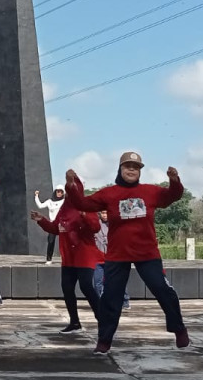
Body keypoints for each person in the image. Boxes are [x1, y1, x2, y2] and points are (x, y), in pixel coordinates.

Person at [64, 152, 190, 355]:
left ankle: (179, 329)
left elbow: (172, 196)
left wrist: (174, 181)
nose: (131, 170)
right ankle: (104, 340)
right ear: (120, 169)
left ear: (140, 171)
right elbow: (83, 204)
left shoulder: (149, 191)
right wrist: (72, 185)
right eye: (127, 166)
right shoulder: (109, 193)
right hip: (117, 254)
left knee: (162, 289)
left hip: (147, 253)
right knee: (110, 298)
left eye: (136, 167)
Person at [31, 198, 102, 334]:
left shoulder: (86, 206)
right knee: (67, 288)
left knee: (86, 286)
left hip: (84, 255)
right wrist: (41, 220)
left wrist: (85, 215)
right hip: (69, 257)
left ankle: (103, 319)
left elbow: (95, 227)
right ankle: (74, 322)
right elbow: (55, 228)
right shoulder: (64, 208)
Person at [91, 210, 130, 310]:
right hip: (98, 258)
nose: (105, 215)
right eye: (103, 213)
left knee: (117, 280)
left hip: (112, 258)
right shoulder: (96, 224)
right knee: (97, 282)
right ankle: (101, 301)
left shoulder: (114, 224)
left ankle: (125, 301)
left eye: (106, 213)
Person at [34, 186, 65, 264]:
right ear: (55, 192)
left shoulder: (64, 201)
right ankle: (49, 259)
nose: (59, 193)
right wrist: (36, 196)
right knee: (51, 241)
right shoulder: (50, 201)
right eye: (58, 191)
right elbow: (40, 206)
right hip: (52, 224)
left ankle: (65, 259)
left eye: (61, 192)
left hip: (62, 224)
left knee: (64, 242)